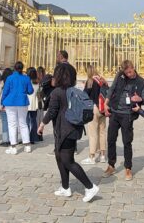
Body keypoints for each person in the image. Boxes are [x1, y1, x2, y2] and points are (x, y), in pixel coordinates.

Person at [38, 61, 100, 202]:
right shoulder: (72, 90)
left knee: (67, 160)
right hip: (71, 129)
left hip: (65, 130)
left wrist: (42, 124)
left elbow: (52, 111)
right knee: (59, 157)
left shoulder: (57, 92)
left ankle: (90, 187)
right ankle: (65, 188)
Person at [104, 59, 144, 180]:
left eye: (130, 72)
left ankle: (128, 168)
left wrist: (139, 98)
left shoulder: (141, 82)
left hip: (127, 114)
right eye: (126, 73)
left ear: (133, 68)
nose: (129, 75)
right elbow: (112, 88)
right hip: (114, 112)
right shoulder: (120, 75)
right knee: (110, 139)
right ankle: (111, 164)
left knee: (127, 142)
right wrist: (106, 104)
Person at [1, 61, 34, 154]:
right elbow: (30, 91)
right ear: (22, 68)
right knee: (23, 123)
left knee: (12, 124)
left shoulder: (10, 78)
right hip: (22, 102)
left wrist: (2, 102)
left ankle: (13, 146)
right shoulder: (26, 78)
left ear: (14, 68)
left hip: (10, 102)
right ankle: (27, 145)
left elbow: (5, 91)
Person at [81, 63, 108, 164]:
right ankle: (102, 156)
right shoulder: (102, 80)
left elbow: (84, 95)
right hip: (103, 108)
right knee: (102, 132)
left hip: (94, 108)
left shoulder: (91, 80)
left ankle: (92, 156)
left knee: (92, 133)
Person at [27, 67, 41, 143]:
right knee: (33, 121)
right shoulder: (37, 82)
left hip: (27, 102)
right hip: (34, 102)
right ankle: (33, 137)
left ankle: (26, 138)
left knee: (26, 121)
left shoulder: (27, 82)